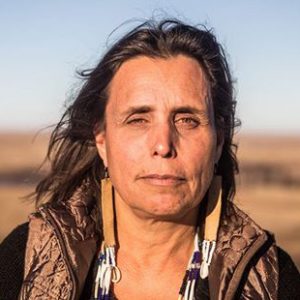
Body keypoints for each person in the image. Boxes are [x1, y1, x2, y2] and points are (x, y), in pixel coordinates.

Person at [0, 19, 299, 300]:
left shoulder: (269, 278)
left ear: (218, 141)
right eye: (138, 119)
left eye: (187, 120)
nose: (163, 145)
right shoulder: (27, 261)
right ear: (101, 140)